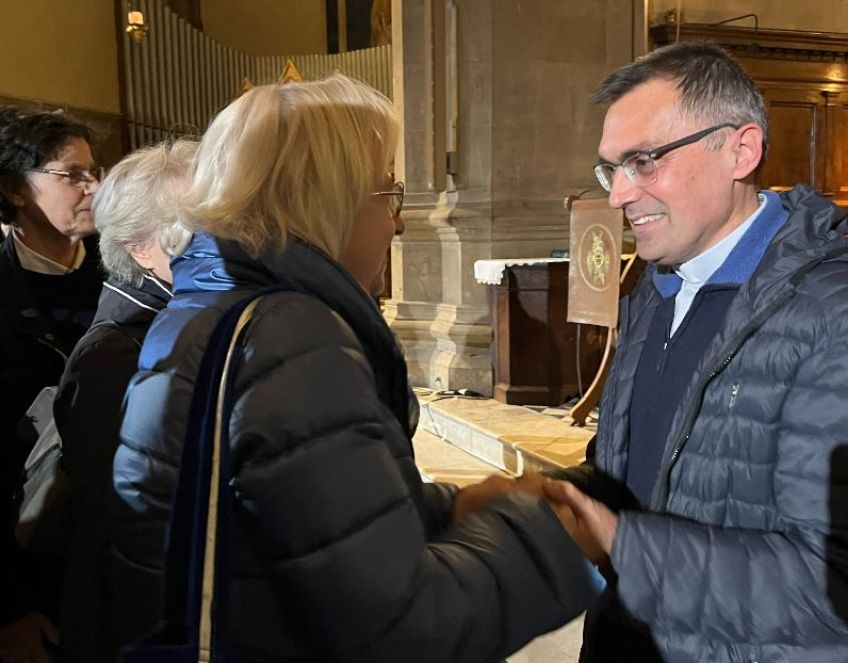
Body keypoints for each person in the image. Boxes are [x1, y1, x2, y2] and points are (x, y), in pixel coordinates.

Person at [110, 75, 596, 661]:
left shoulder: (203, 306)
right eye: (388, 193)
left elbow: (296, 525)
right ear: (327, 199)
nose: (400, 223)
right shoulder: (289, 336)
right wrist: (543, 537)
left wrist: (443, 510)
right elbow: (405, 632)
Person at [542, 42, 848, 662]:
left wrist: (626, 546)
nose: (620, 195)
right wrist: (556, 496)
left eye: (644, 162)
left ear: (741, 149)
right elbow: (635, 473)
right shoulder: (657, 291)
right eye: (611, 169)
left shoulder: (846, 325)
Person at [51, 139, 196, 662]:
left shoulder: (175, 324)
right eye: (192, 230)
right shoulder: (114, 353)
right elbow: (111, 526)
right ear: (139, 246)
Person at [0, 107, 103, 663]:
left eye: (95, 171)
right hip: (32, 555)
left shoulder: (129, 271)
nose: (94, 187)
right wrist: (9, 607)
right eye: (73, 175)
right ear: (15, 189)